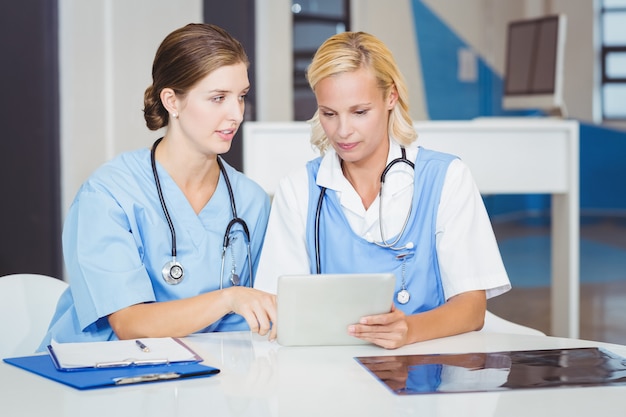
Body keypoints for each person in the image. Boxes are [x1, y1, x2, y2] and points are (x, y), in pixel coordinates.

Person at [254, 31, 511, 349]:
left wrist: (409, 330)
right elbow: (279, 309)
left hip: (428, 362)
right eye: (329, 114)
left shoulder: (445, 178)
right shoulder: (298, 190)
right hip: (330, 370)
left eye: (359, 112)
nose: (343, 131)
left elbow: (472, 309)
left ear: (390, 97)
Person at [38, 23, 276, 350]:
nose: (235, 114)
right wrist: (229, 298)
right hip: (98, 373)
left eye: (241, 97)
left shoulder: (251, 202)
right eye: (218, 98)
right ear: (172, 101)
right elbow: (128, 323)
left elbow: (254, 322)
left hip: (203, 379)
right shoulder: (109, 194)